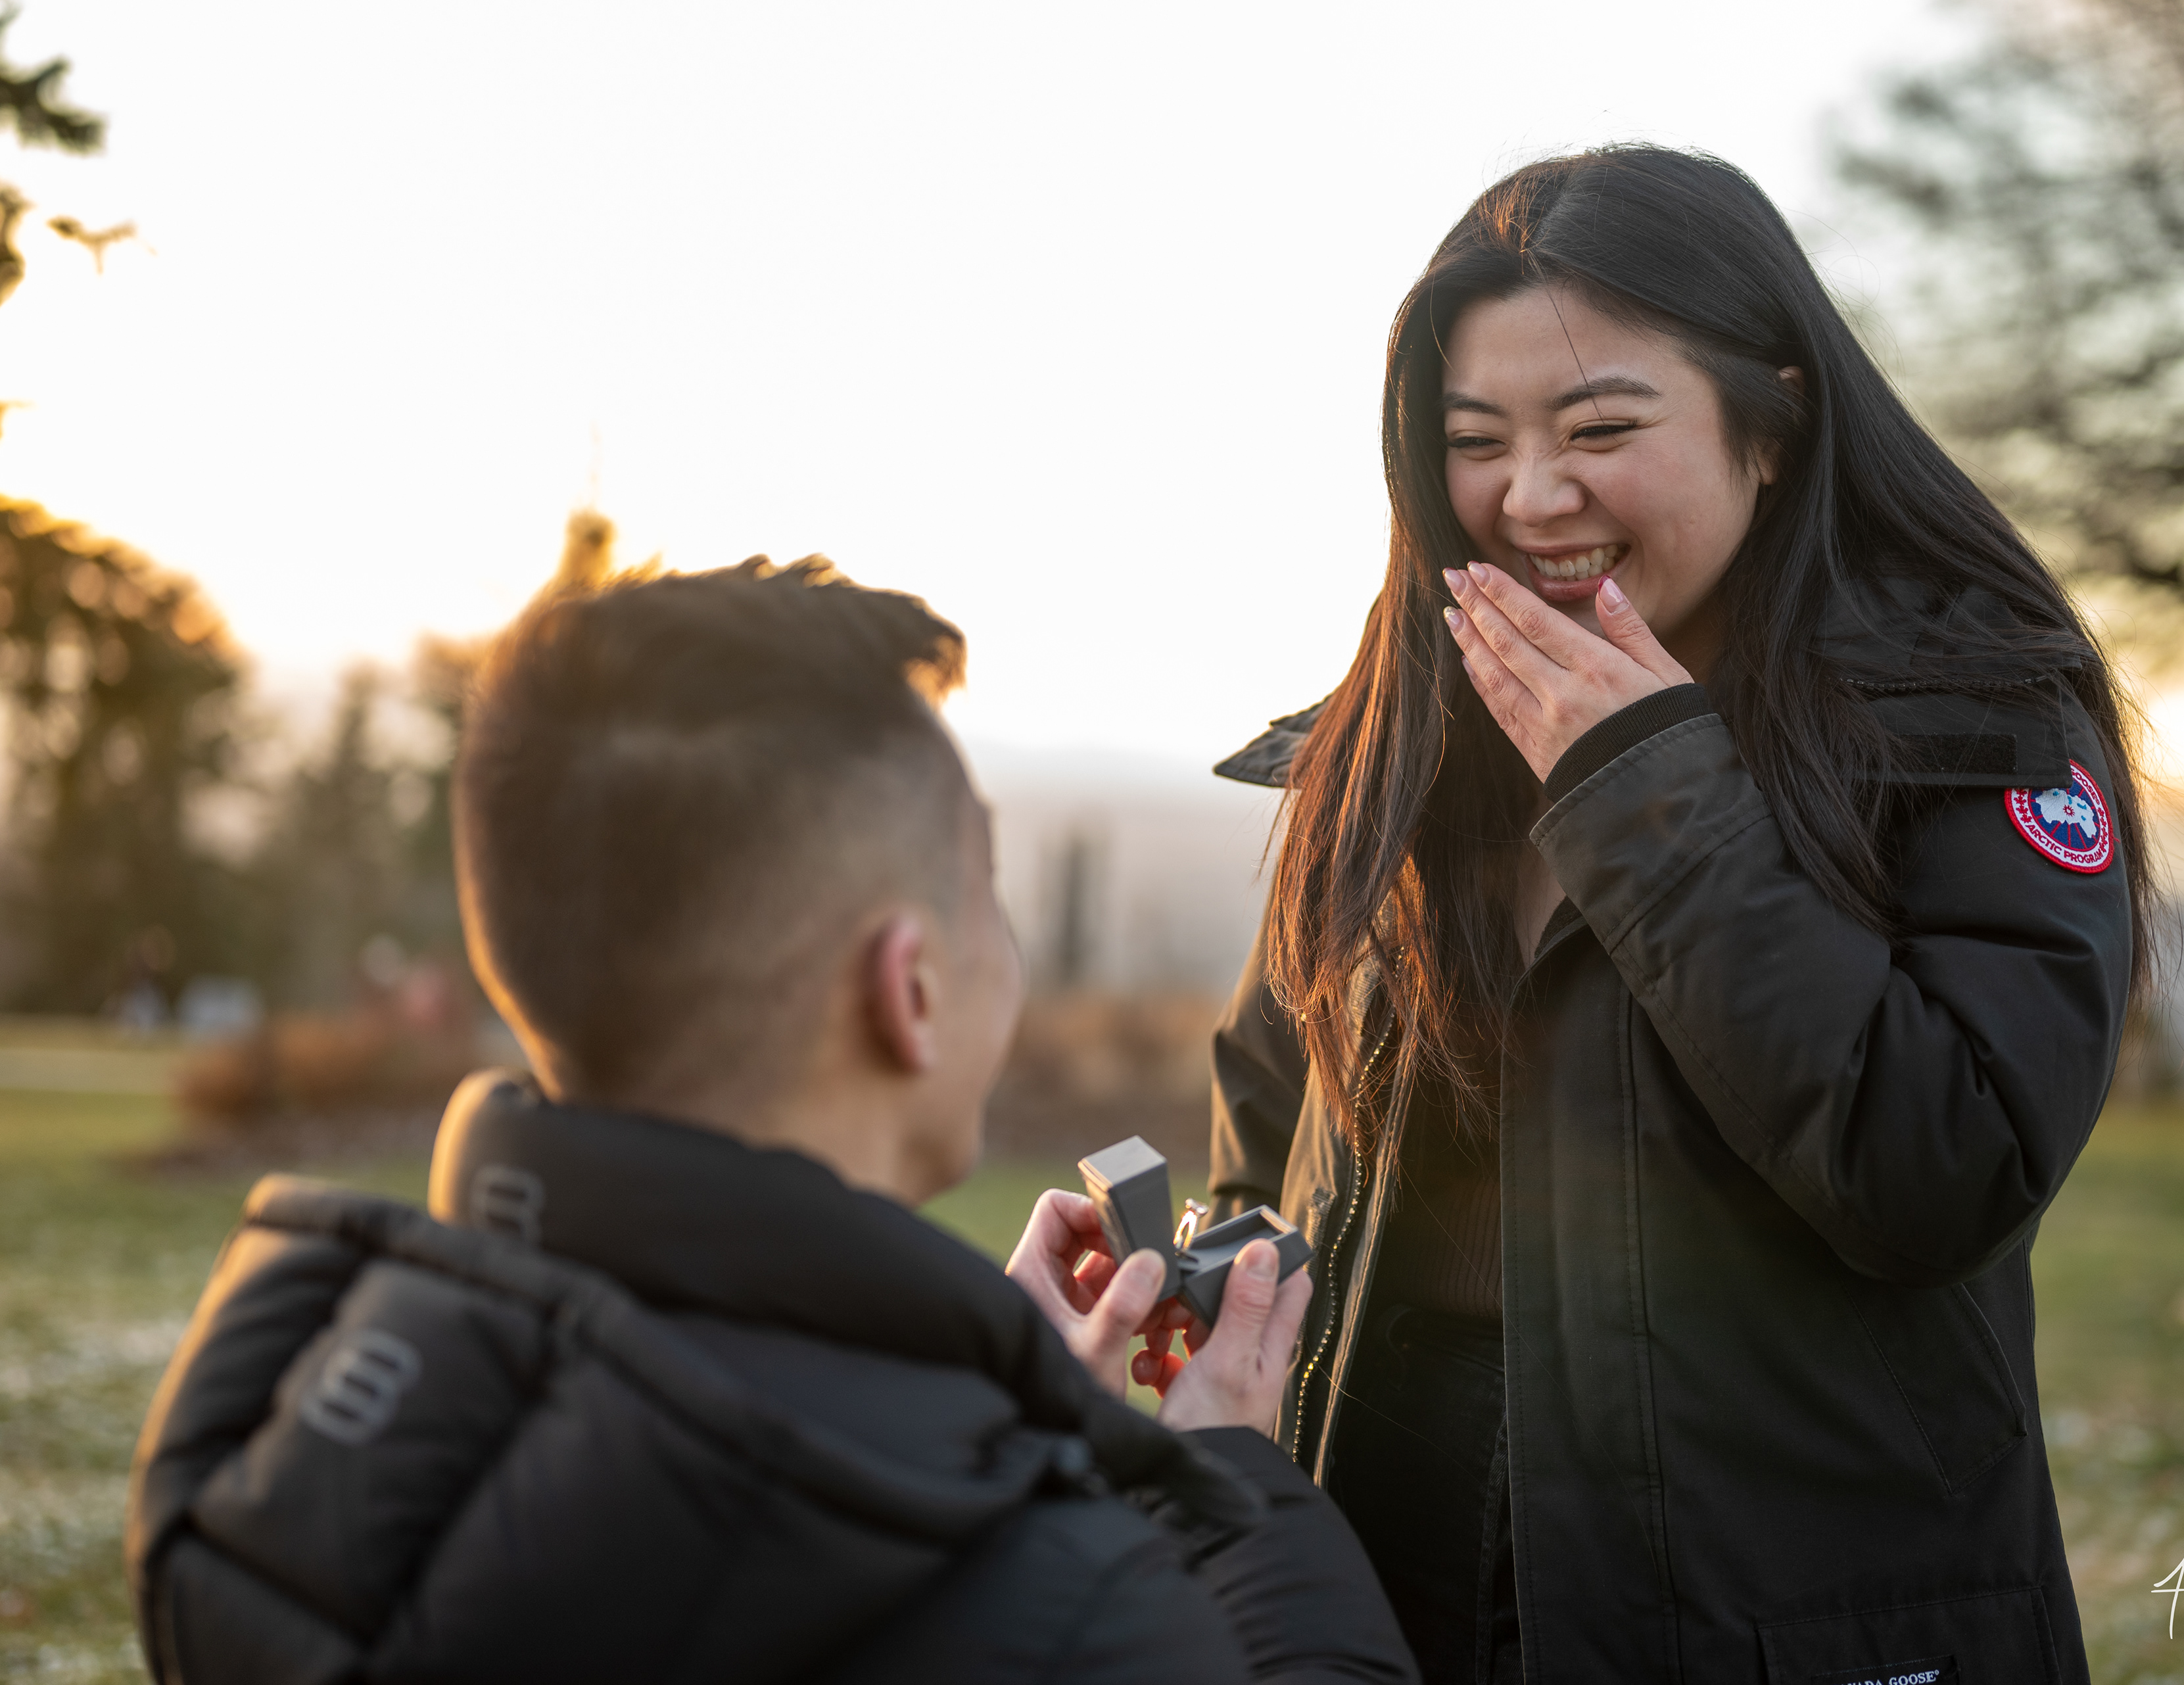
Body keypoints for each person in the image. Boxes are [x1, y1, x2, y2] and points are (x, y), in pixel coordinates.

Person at [1200, 146, 2150, 1684]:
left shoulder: (1975, 717)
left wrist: (1648, 790)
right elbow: (1270, 1118)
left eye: (1601, 429)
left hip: (1789, 1624)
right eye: (1474, 441)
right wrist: (1205, 1281)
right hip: (1391, 1602)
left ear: (1771, 424)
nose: (1529, 497)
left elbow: (1945, 1162)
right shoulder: (1395, 739)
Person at [124, 561, 1417, 1685]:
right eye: (987, 899)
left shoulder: (279, 1426)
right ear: (907, 989)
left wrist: (992, 1413)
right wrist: (1232, 1486)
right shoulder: (1063, 1604)